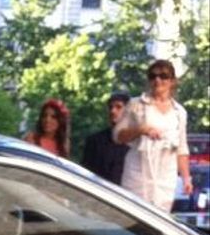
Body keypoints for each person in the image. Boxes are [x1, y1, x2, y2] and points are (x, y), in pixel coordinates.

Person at [114, 59, 192, 211]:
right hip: (138, 175)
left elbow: (181, 148)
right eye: (153, 76)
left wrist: (186, 178)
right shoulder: (136, 104)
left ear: (172, 81)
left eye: (163, 76)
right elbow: (118, 136)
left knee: (159, 221)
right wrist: (141, 129)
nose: (158, 80)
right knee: (134, 217)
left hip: (165, 178)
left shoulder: (179, 112)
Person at [82, 91, 131, 184]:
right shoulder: (95, 141)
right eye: (110, 107)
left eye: (118, 107)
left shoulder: (135, 143)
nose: (113, 111)